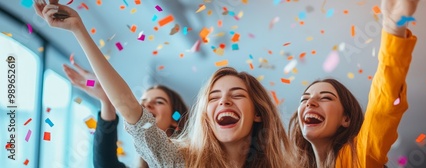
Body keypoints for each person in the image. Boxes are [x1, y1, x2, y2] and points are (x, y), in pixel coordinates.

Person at [35, 0, 294, 167]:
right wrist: (79, 28)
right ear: (206, 116)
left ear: (258, 113)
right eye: (213, 98)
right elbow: (129, 109)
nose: (223, 101)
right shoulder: (181, 162)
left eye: (236, 95)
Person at [288, 0, 420, 167]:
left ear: (346, 119)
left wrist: (394, 27)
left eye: (326, 98)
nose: (309, 103)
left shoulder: (359, 156)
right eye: (304, 100)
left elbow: (382, 106)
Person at [62, 63, 189, 168]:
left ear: (175, 118)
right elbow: (105, 163)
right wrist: (106, 100)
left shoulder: (189, 161)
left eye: (159, 102)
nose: (147, 105)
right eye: (142, 102)